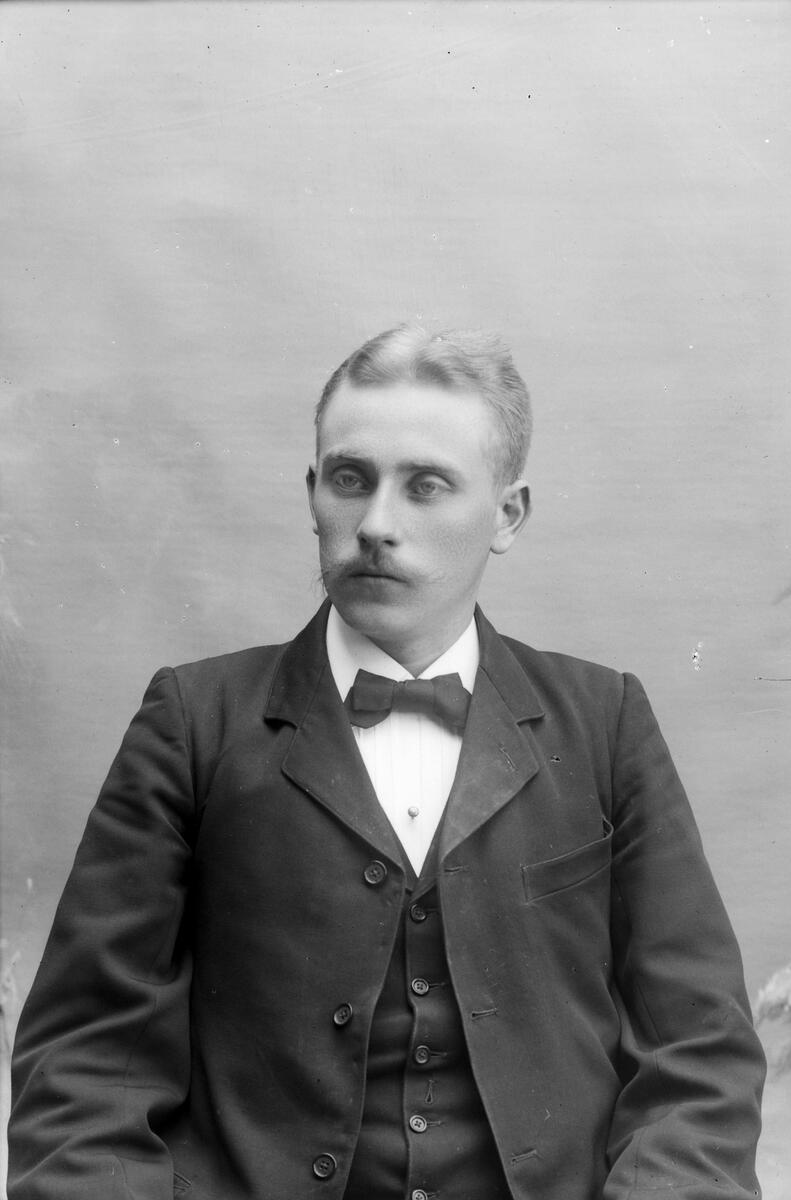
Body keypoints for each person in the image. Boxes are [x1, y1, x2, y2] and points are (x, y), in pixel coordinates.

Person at [8, 326, 765, 1200]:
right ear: (312, 492)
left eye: (425, 486)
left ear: (507, 515)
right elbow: (87, 1061)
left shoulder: (602, 721)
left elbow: (697, 1051)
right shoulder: (196, 721)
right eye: (349, 479)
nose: (374, 525)